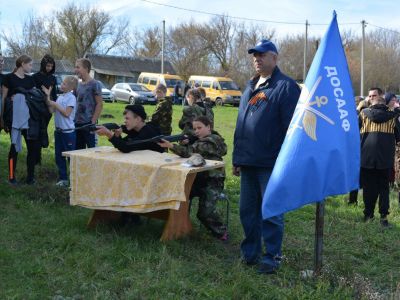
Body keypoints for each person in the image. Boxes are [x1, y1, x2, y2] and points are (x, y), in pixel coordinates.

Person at [232, 39, 301, 274]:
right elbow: (241, 125)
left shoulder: (286, 86)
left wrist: (286, 162)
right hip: (248, 161)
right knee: (247, 211)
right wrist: (237, 158)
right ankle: (250, 253)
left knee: (270, 211)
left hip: (270, 163)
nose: (257, 59)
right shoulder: (250, 86)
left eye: (262, 54)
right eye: (254, 55)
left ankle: (272, 256)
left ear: (275, 58)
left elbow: (291, 129)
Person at [158, 116, 228, 240]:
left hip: (212, 182)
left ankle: (221, 232)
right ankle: (178, 226)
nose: (196, 131)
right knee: (177, 196)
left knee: (205, 213)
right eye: (195, 128)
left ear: (209, 127)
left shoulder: (212, 141)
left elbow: (191, 152)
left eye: (199, 128)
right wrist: (188, 141)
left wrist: (171, 145)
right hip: (197, 179)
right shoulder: (202, 139)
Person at [359, 88, 400, 227]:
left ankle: (368, 215)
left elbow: (354, 133)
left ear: (372, 104)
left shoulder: (363, 114)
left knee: (368, 188)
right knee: (384, 189)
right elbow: (398, 137)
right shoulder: (393, 117)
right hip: (385, 158)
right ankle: (383, 218)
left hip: (366, 157)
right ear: (385, 104)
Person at [1, 55, 42, 185]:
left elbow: (34, 97)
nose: (31, 67)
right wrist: (2, 118)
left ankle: (30, 178)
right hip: (14, 120)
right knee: (13, 149)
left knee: (32, 148)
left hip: (29, 120)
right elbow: (3, 98)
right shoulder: (9, 78)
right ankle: (12, 177)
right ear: (22, 64)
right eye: (30, 64)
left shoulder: (31, 80)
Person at [42, 76, 78, 187]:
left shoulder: (71, 98)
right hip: (58, 132)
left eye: (64, 84)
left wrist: (55, 104)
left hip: (68, 133)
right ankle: (63, 179)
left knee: (70, 157)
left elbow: (67, 113)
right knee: (59, 156)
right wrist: (48, 96)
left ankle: (74, 180)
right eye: (62, 83)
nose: (61, 85)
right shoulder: (60, 97)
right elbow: (51, 110)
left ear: (71, 87)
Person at [96, 104, 164, 153]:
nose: (124, 121)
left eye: (127, 118)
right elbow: (121, 145)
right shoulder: (136, 130)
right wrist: (117, 135)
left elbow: (126, 148)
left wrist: (108, 134)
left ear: (138, 119)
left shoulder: (148, 132)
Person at [74, 58, 103, 149]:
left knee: (92, 150)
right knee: (78, 150)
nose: (75, 70)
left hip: (89, 124)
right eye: (75, 67)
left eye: (78, 67)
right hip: (77, 123)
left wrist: (93, 121)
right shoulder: (77, 84)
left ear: (86, 69)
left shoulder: (95, 84)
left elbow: (99, 104)